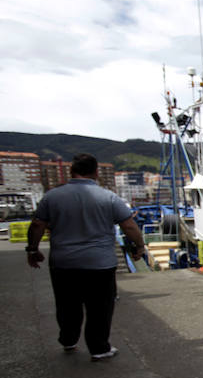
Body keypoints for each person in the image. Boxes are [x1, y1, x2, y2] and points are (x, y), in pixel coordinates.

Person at [26, 153, 146, 361]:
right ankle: (99, 349)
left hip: (63, 263)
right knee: (100, 308)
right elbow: (128, 225)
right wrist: (140, 246)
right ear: (96, 172)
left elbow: (37, 225)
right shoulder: (108, 197)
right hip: (100, 264)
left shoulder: (52, 197)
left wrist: (32, 250)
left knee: (66, 305)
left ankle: (68, 340)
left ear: (71, 171)